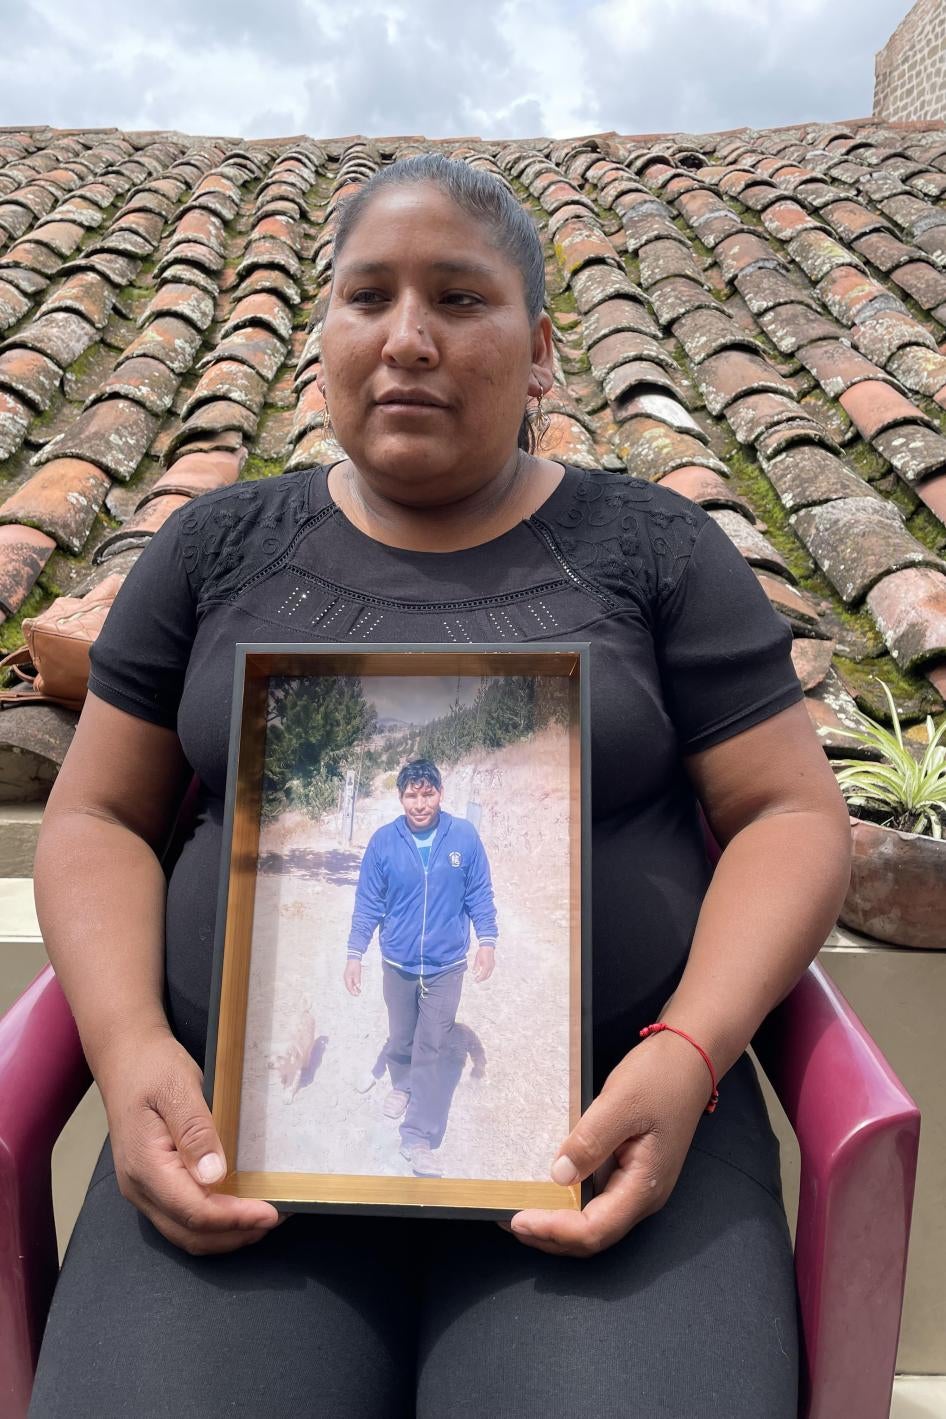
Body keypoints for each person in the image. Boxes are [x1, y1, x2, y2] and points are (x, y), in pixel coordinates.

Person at [28, 152, 852, 1418]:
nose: (406, 337)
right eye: (368, 297)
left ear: (538, 354)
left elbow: (788, 815)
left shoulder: (657, 550)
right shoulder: (211, 550)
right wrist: (131, 1047)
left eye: (460, 299)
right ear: (323, 337)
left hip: (608, 1143)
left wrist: (686, 1057)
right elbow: (95, 817)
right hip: (243, 1148)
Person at [344, 757, 498, 1177]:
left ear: (441, 794)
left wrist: (487, 941)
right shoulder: (383, 843)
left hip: (447, 966)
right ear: (401, 798)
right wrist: (355, 953)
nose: (419, 803)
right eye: (411, 794)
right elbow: (368, 904)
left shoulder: (463, 837)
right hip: (398, 963)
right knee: (401, 1037)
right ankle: (403, 1083)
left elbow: (479, 894)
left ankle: (418, 1136)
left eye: (427, 793)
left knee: (431, 1045)